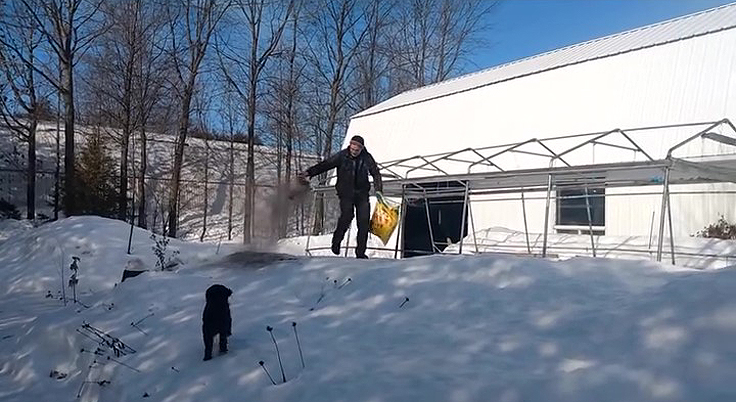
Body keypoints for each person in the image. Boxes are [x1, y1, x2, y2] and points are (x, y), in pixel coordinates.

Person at [299, 135, 383, 259]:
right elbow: (325, 165)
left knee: (364, 222)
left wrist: (378, 189)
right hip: (346, 192)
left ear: (362, 149)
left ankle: (360, 252)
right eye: (353, 149)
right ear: (350, 145)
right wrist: (309, 172)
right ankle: (336, 240)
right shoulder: (342, 156)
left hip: (362, 193)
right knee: (347, 215)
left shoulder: (366, 157)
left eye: (357, 150)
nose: (354, 152)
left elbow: (375, 173)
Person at [202, 284, 232, 361]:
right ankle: (223, 348)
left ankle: (208, 353)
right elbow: (228, 319)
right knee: (224, 329)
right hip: (222, 317)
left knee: (208, 334)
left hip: (210, 318)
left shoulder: (209, 302)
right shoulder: (225, 306)